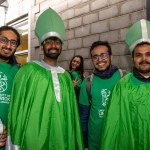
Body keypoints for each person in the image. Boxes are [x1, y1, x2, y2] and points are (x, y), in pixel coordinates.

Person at [6, 8, 84, 150]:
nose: (53, 46)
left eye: (57, 42)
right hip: (33, 140)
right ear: (42, 45)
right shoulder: (28, 71)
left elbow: (72, 116)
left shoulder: (66, 77)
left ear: (61, 46)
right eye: (49, 42)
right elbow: (17, 108)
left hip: (62, 139)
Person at [100, 19, 150, 150]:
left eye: (148, 54)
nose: (144, 59)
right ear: (132, 58)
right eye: (139, 55)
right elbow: (112, 128)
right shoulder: (121, 87)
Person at [79, 41, 127, 150]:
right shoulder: (87, 83)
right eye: (95, 57)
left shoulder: (124, 78)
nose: (99, 59)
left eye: (103, 55)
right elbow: (83, 117)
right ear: (92, 60)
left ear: (111, 57)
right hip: (96, 141)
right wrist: (85, 144)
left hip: (120, 139)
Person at [0, 26, 20, 150]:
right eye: (3, 40)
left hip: (8, 139)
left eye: (13, 42)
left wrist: (11, 127)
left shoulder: (20, 72)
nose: (8, 45)